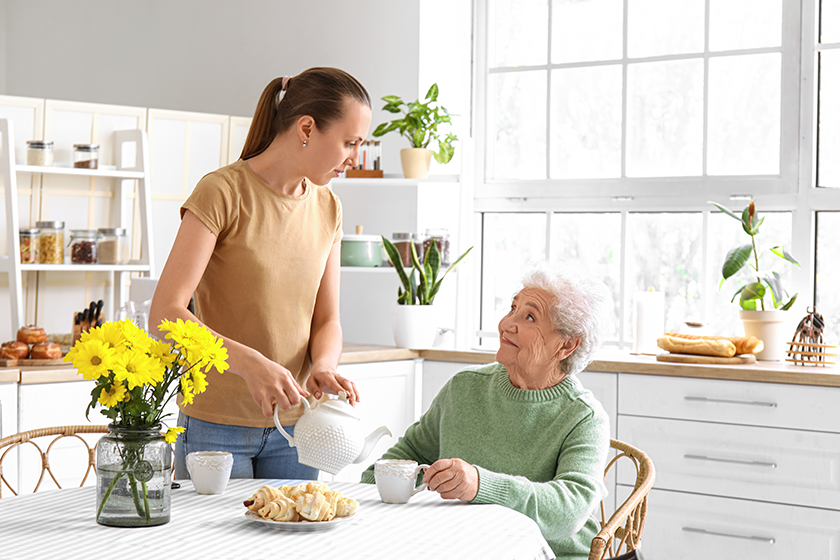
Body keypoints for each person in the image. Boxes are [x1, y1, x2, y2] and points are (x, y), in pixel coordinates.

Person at [150, 67, 372, 480]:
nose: (353, 159)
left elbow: (328, 320)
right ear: (307, 127)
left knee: (293, 543)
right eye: (349, 143)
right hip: (215, 427)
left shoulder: (329, 207)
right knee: (214, 547)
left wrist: (323, 365)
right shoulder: (222, 192)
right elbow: (165, 314)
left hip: (299, 426)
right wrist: (250, 364)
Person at [361, 261, 612, 559]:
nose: (506, 324)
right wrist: (407, 484)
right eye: (512, 308)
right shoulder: (464, 389)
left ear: (566, 346)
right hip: (458, 549)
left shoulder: (584, 417)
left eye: (530, 317)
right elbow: (386, 468)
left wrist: (479, 485)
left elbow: (568, 512)